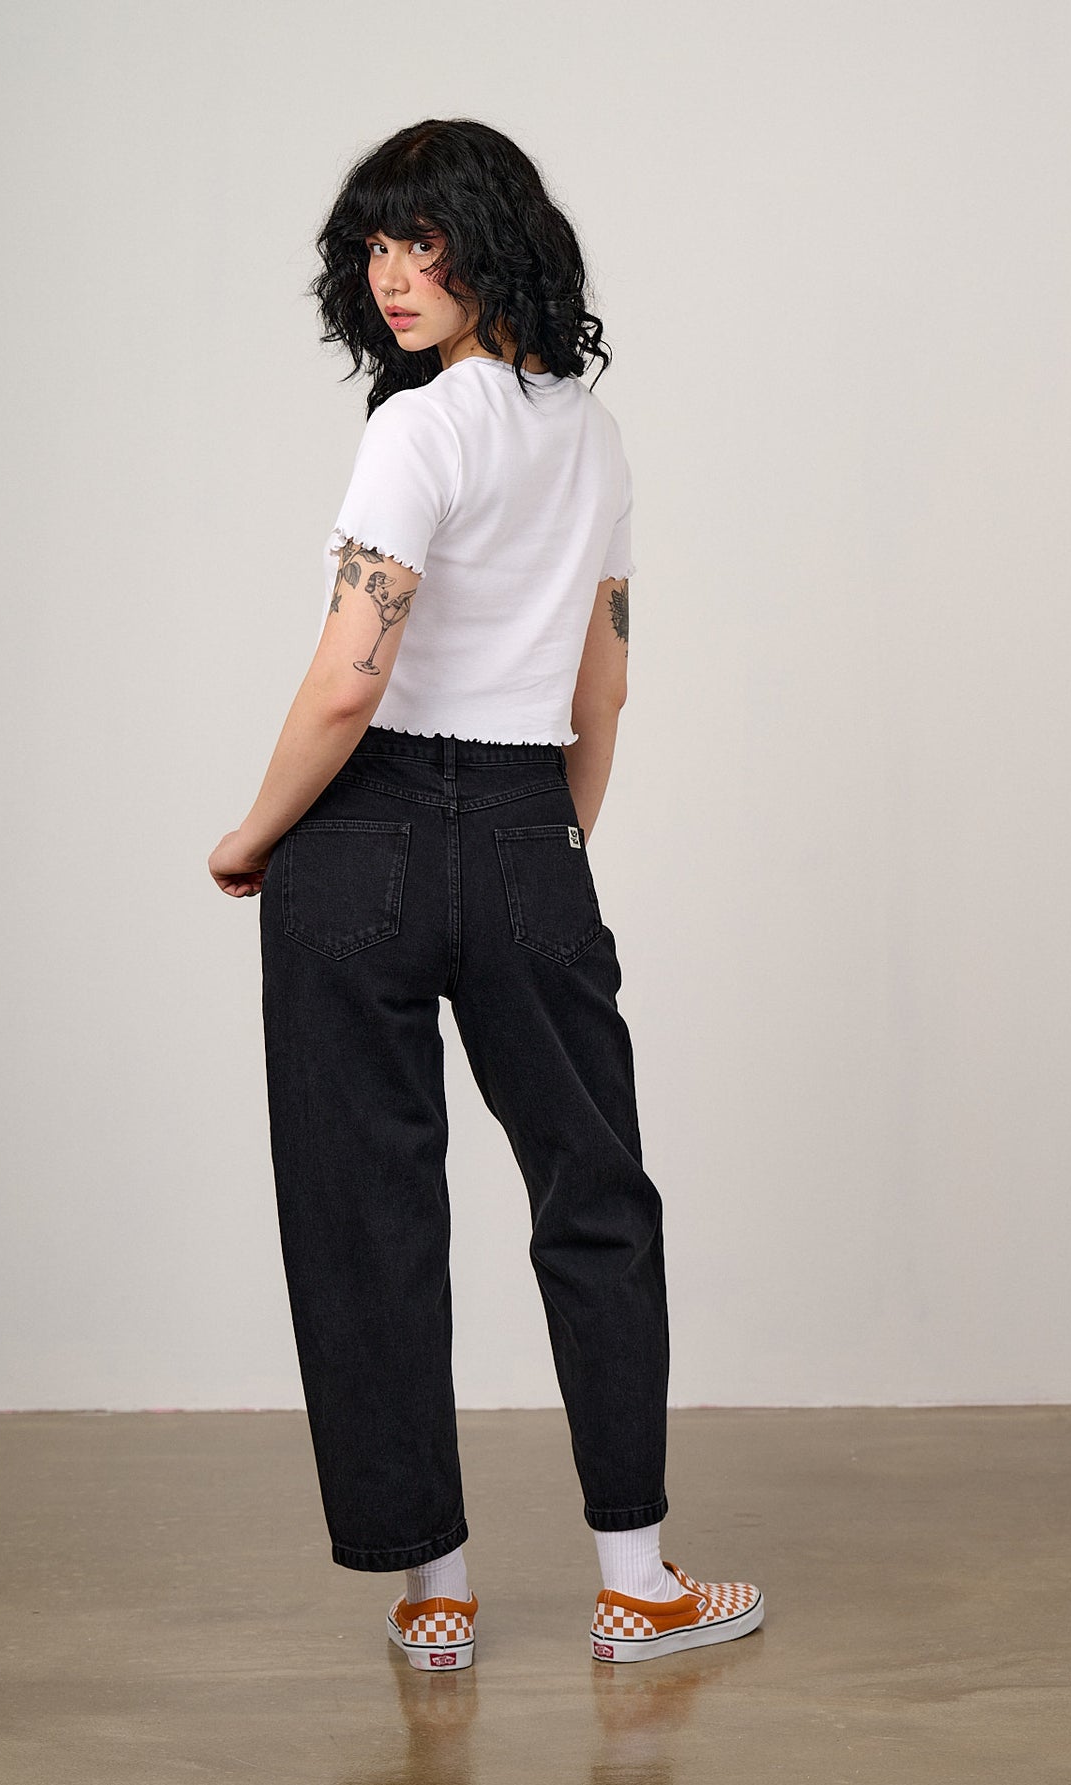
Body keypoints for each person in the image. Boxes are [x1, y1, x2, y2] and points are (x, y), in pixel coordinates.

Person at [208, 118, 764, 1669]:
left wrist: (253, 836)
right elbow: (604, 687)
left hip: (359, 838)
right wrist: (544, 850)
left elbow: (350, 679)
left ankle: (436, 1592)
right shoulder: (595, 438)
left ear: (491, 242)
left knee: (366, 1210)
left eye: (422, 242)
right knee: (598, 1197)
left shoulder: (419, 430)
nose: (393, 277)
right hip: (528, 828)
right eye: (374, 249)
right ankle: (637, 1581)